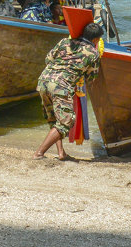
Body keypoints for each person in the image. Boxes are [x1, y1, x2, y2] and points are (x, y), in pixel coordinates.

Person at [34, 22, 104, 160]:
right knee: (66, 122)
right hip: (61, 86)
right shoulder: (93, 53)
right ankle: (39, 153)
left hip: (43, 81)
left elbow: (48, 59)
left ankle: (61, 153)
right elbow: (91, 78)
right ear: (96, 40)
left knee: (54, 119)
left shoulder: (65, 42)